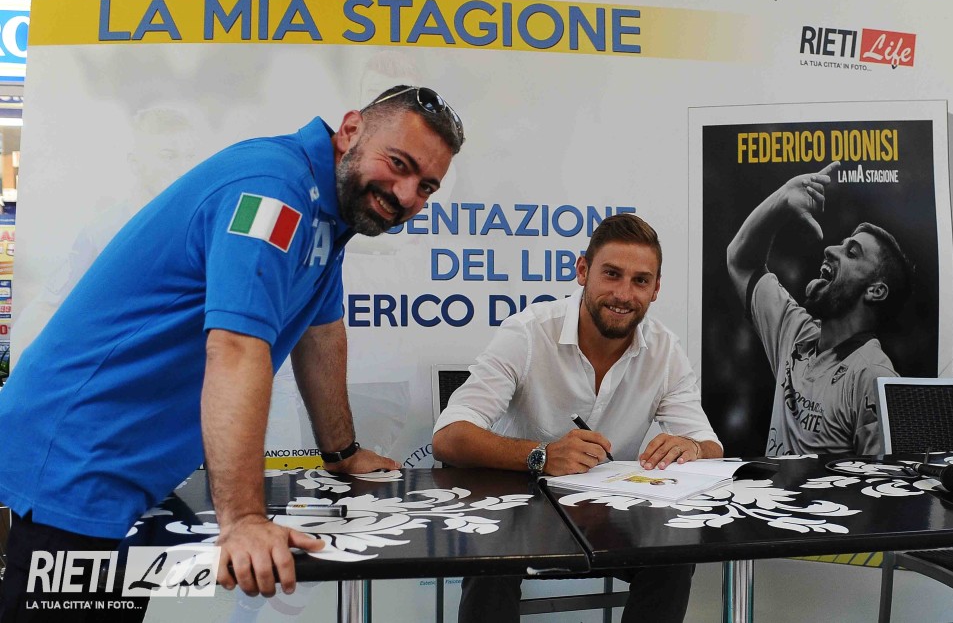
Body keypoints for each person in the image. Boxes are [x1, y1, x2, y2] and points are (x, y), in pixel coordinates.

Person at [0, 84, 465, 621]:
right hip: (77, 457)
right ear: (351, 129)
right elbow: (237, 348)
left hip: (130, 466)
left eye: (426, 187)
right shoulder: (273, 194)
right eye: (399, 164)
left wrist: (342, 452)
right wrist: (242, 521)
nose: (406, 195)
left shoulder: (327, 205)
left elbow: (321, 331)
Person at [432, 213, 722, 623]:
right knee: (490, 563)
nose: (623, 294)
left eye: (640, 281)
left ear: (656, 289)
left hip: (610, 515)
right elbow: (448, 437)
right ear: (583, 271)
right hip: (518, 509)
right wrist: (541, 455)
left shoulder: (664, 350)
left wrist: (690, 446)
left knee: (674, 557)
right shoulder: (528, 333)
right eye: (612, 274)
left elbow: (710, 447)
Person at [726, 161, 913, 457]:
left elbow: (883, 481)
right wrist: (782, 199)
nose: (829, 249)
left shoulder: (873, 377)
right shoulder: (796, 333)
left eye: (852, 252)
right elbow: (741, 261)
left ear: (875, 290)